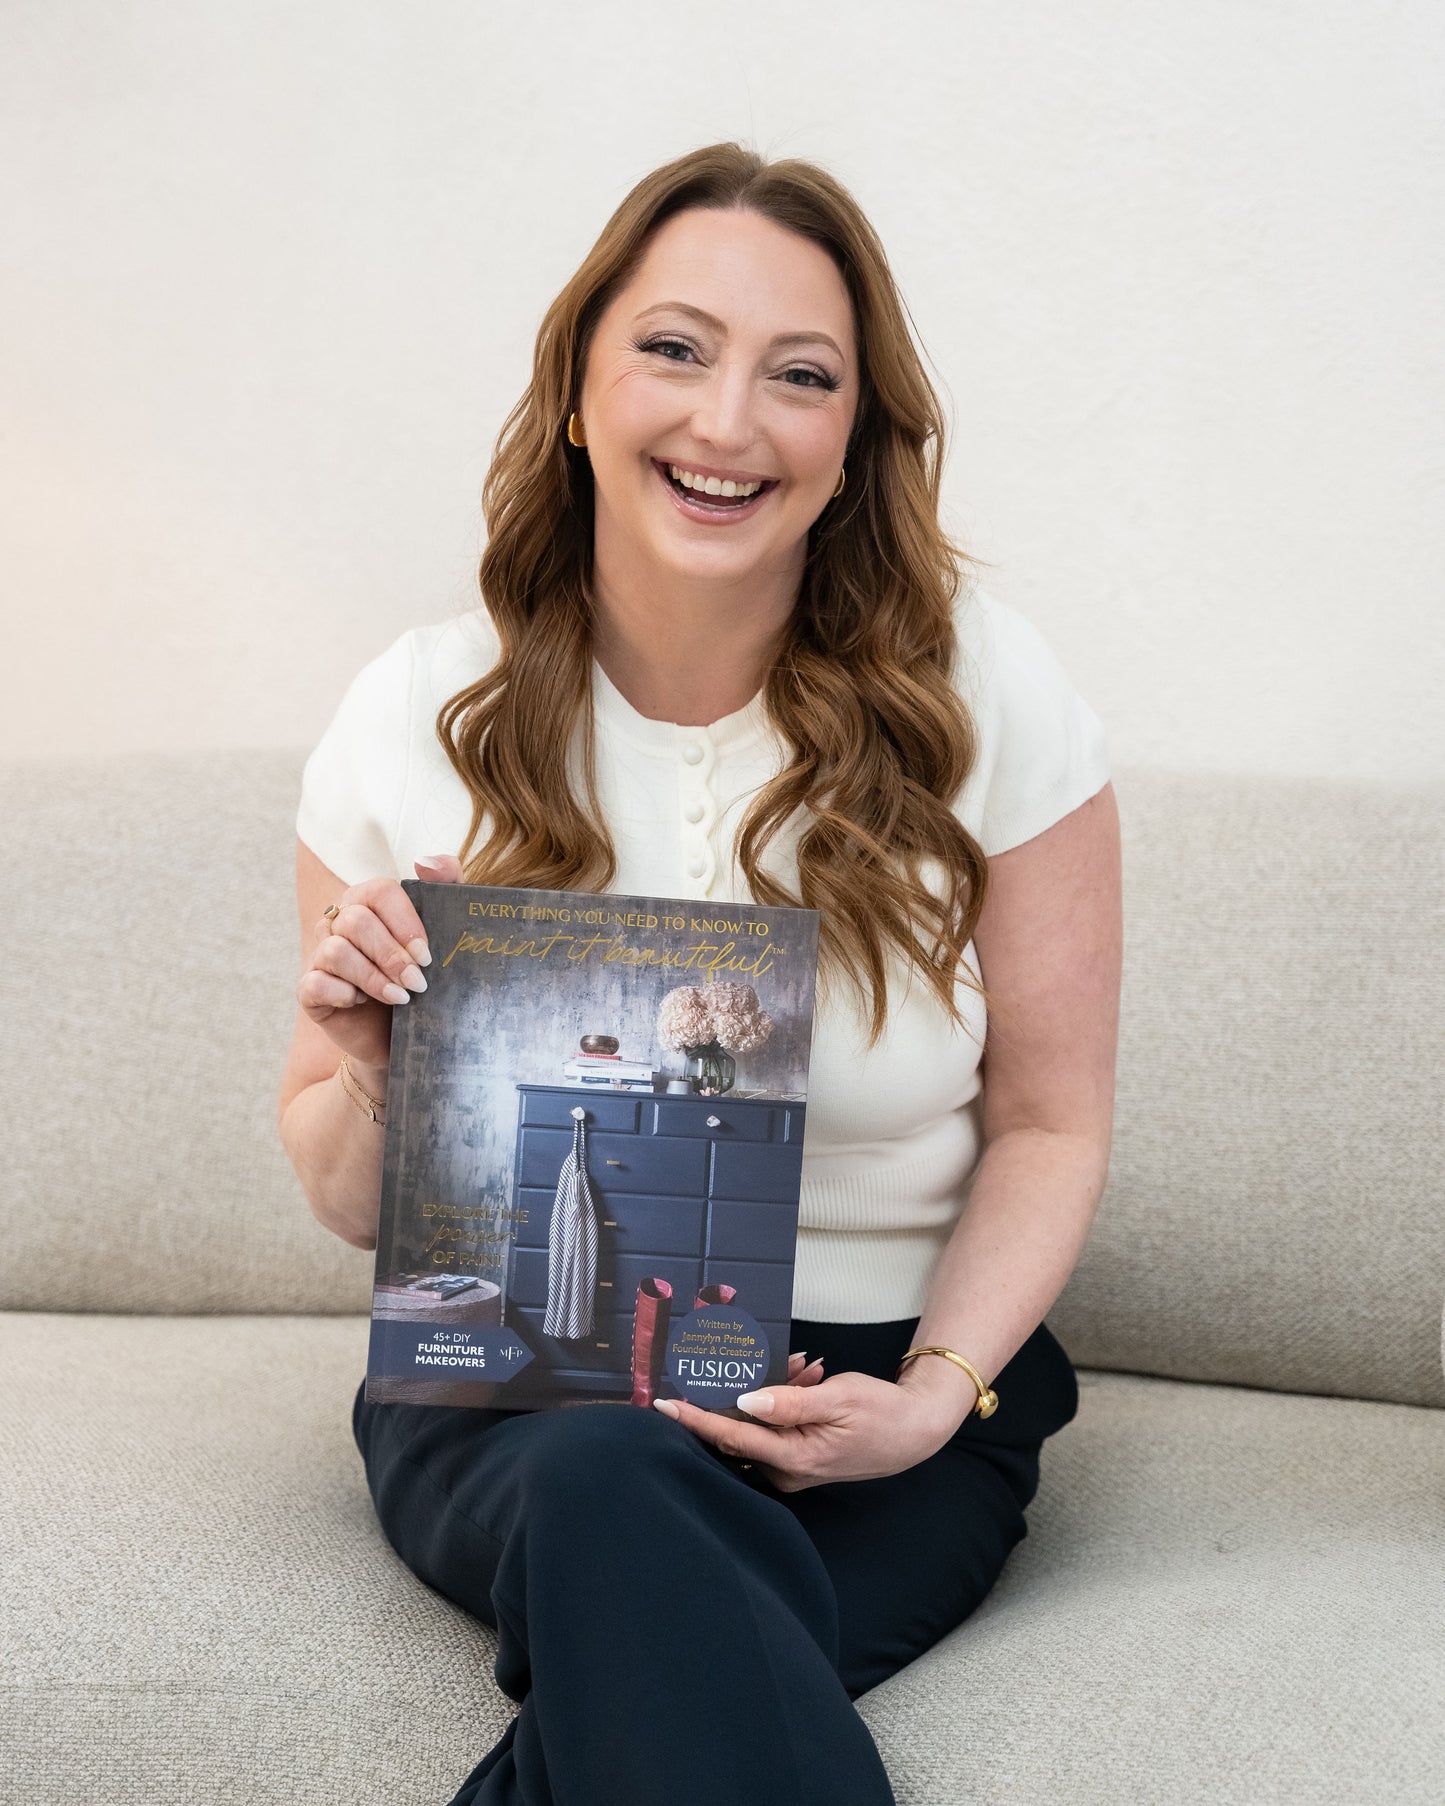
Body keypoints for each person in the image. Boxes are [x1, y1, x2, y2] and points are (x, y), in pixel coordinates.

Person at [277, 141, 1122, 1806]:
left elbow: (1048, 1123)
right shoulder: (409, 712)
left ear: (850, 442)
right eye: (673, 348)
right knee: (611, 1477)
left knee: (661, 1705)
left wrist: (933, 1398)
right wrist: (378, 1064)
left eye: (798, 376)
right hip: (527, 1400)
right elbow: (332, 1179)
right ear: (579, 390)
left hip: (881, 1407)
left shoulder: (989, 697)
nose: (728, 422)